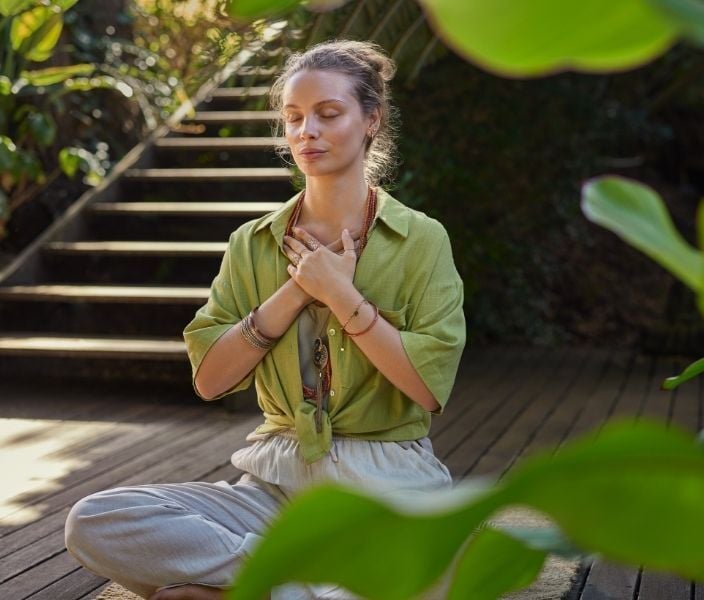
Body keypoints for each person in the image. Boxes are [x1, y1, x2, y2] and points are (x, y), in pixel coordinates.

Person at [65, 39, 466, 600]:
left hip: (387, 487)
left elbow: (426, 388)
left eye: (328, 114)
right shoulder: (250, 244)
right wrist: (298, 292)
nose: (307, 131)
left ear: (371, 120)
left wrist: (344, 297)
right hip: (274, 489)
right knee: (94, 519)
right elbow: (210, 379)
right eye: (294, 117)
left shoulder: (421, 240)